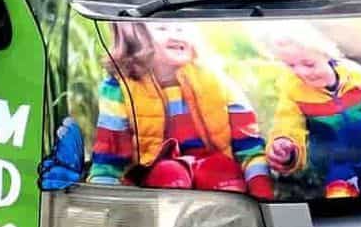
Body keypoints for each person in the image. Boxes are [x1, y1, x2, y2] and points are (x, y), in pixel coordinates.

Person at [89, 20, 275, 197]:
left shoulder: (217, 82)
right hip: (157, 188)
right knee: (170, 171)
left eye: (181, 28)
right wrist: (102, 203)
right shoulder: (120, 88)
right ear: (135, 34)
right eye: (163, 28)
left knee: (220, 169)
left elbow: (250, 149)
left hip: (217, 187)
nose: (176, 35)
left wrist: (261, 194)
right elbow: (109, 159)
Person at [261, 23, 361, 198]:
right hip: (337, 161)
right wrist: (284, 143)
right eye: (291, 66)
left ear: (326, 53)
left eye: (309, 64)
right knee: (339, 193)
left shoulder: (359, 78)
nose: (301, 72)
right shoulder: (293, 91)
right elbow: (287, 122)